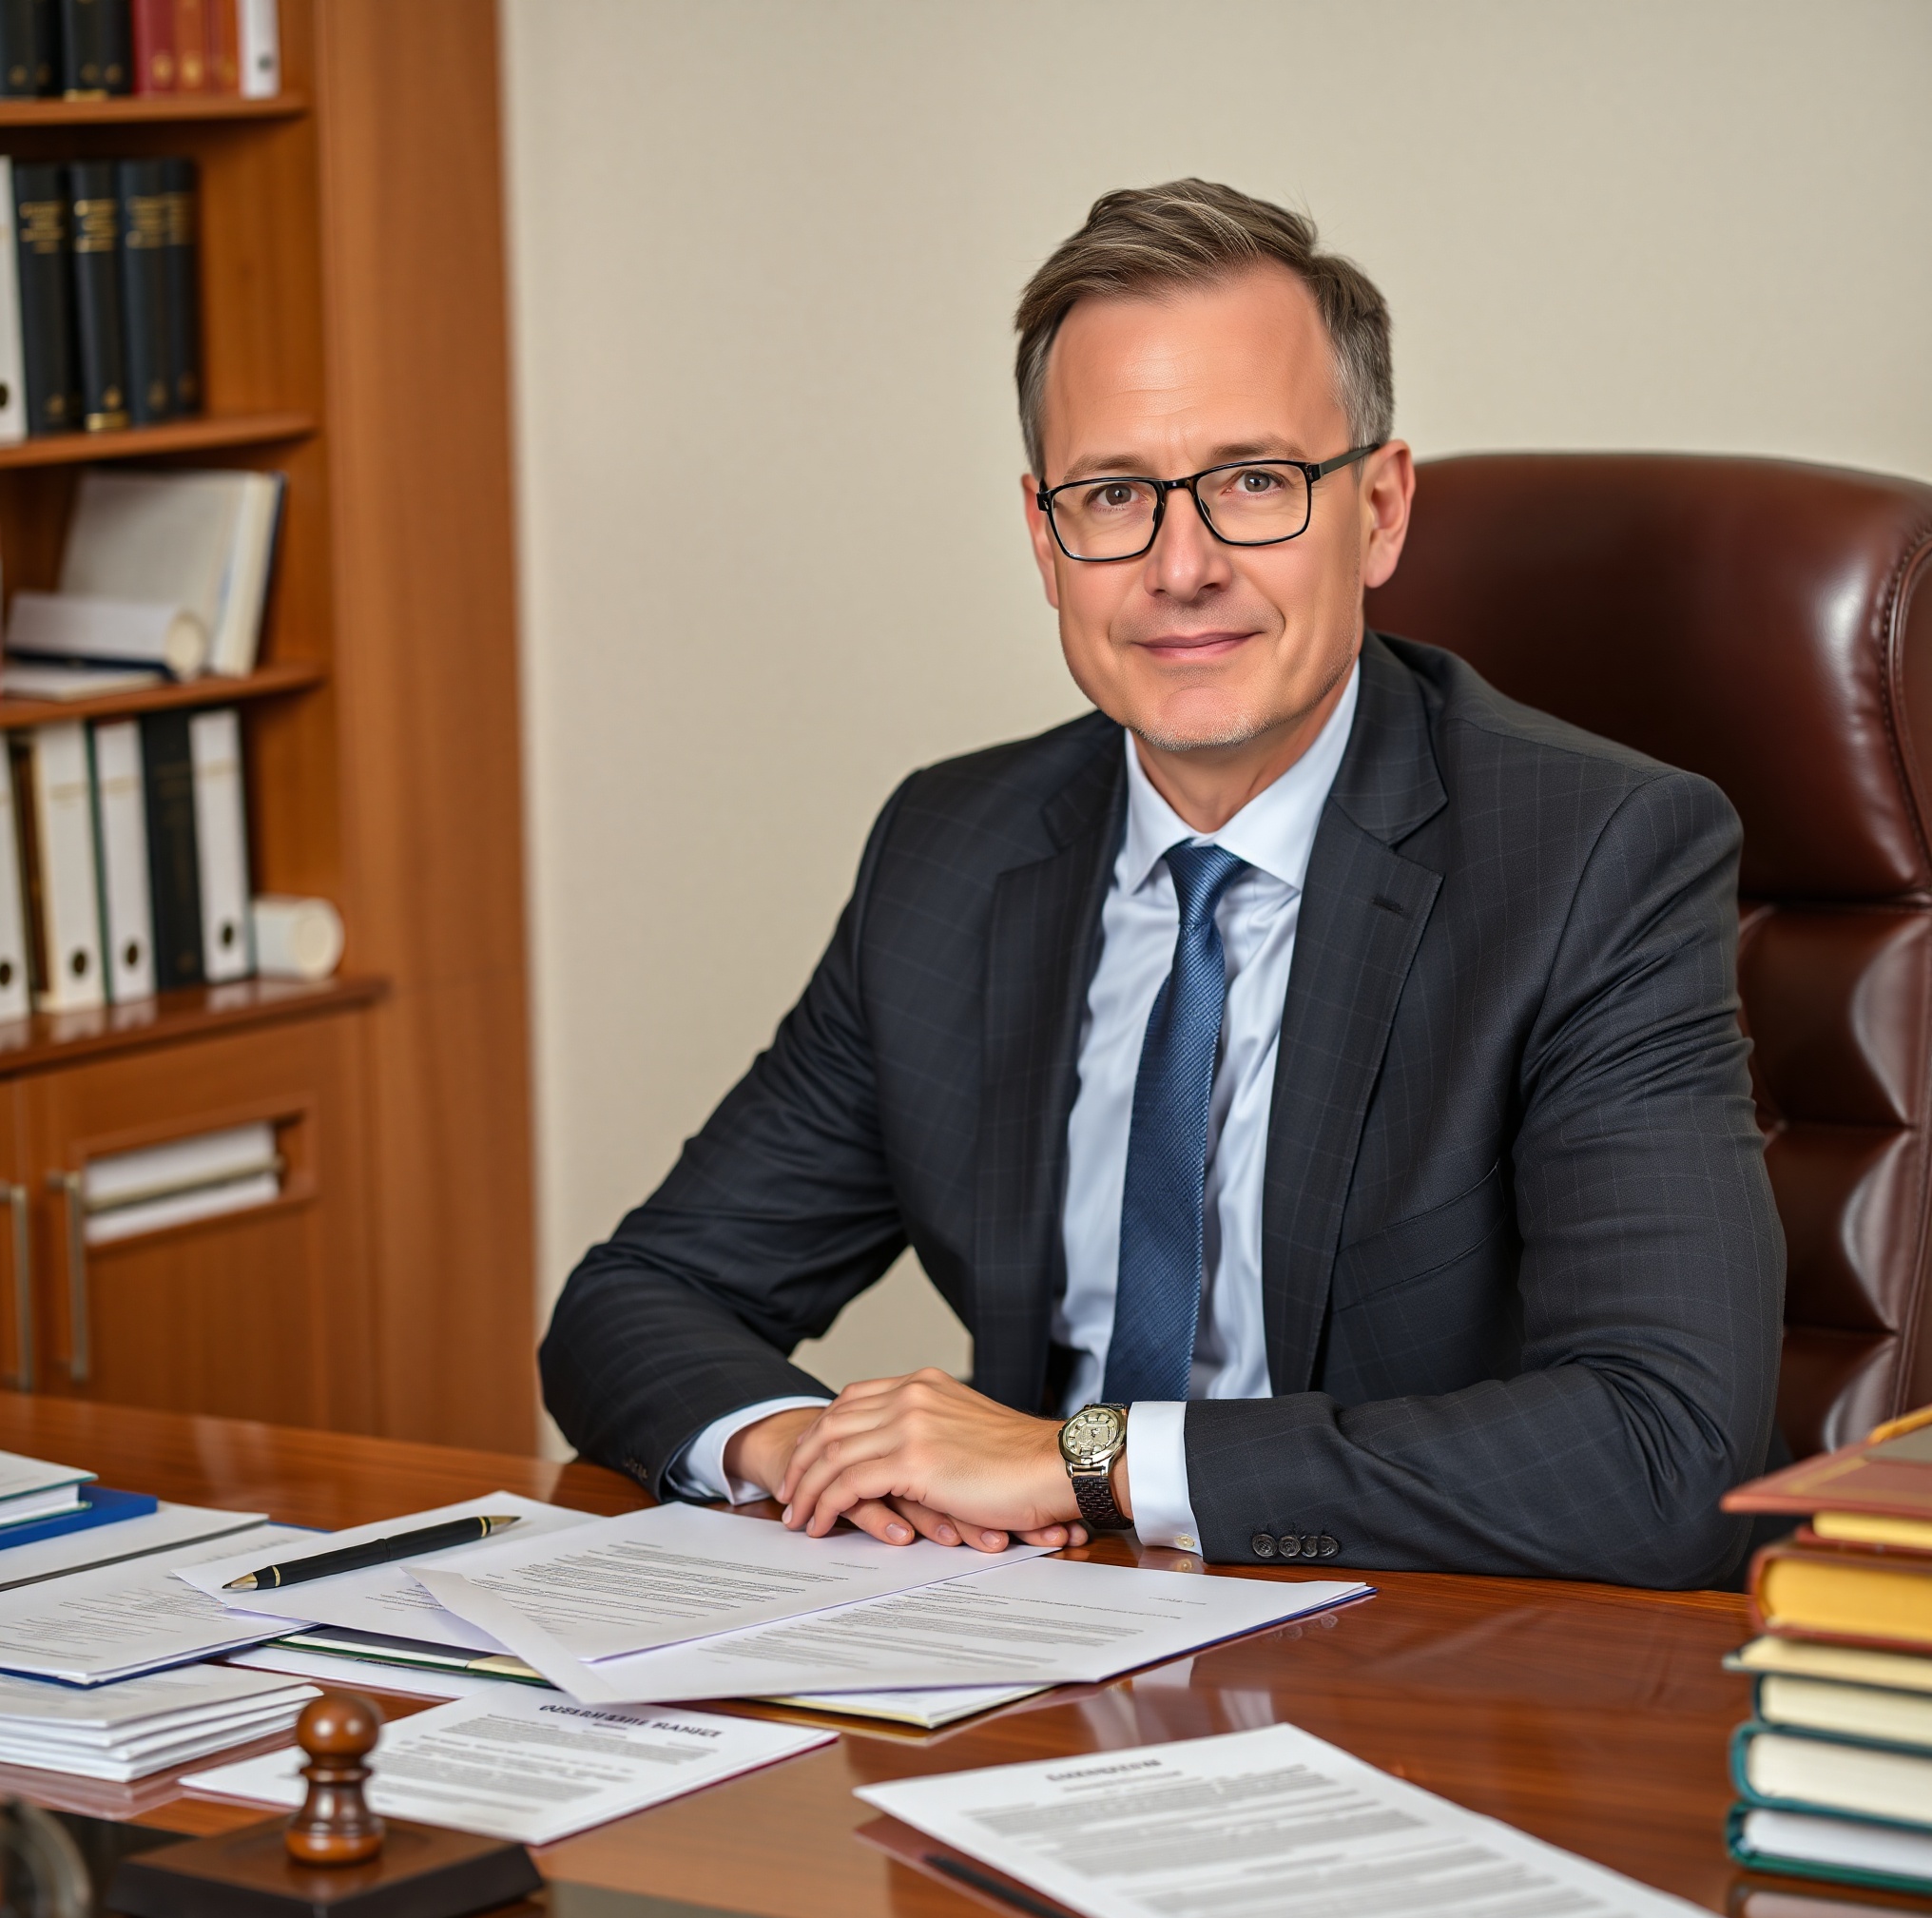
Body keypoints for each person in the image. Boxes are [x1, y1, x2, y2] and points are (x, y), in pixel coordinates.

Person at [540, 179, 1783, 1586]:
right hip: (1018, 1660)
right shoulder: (955, 852)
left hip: (1417, 1680)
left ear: (1376, 511)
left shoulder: (1594, 863)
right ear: (1042, 537)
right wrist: (810, 1450)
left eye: (1254, 482)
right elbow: (635, 1300)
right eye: (1114, 494)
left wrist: (1088, 1461)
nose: (1179, 566)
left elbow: (1670, 1454)